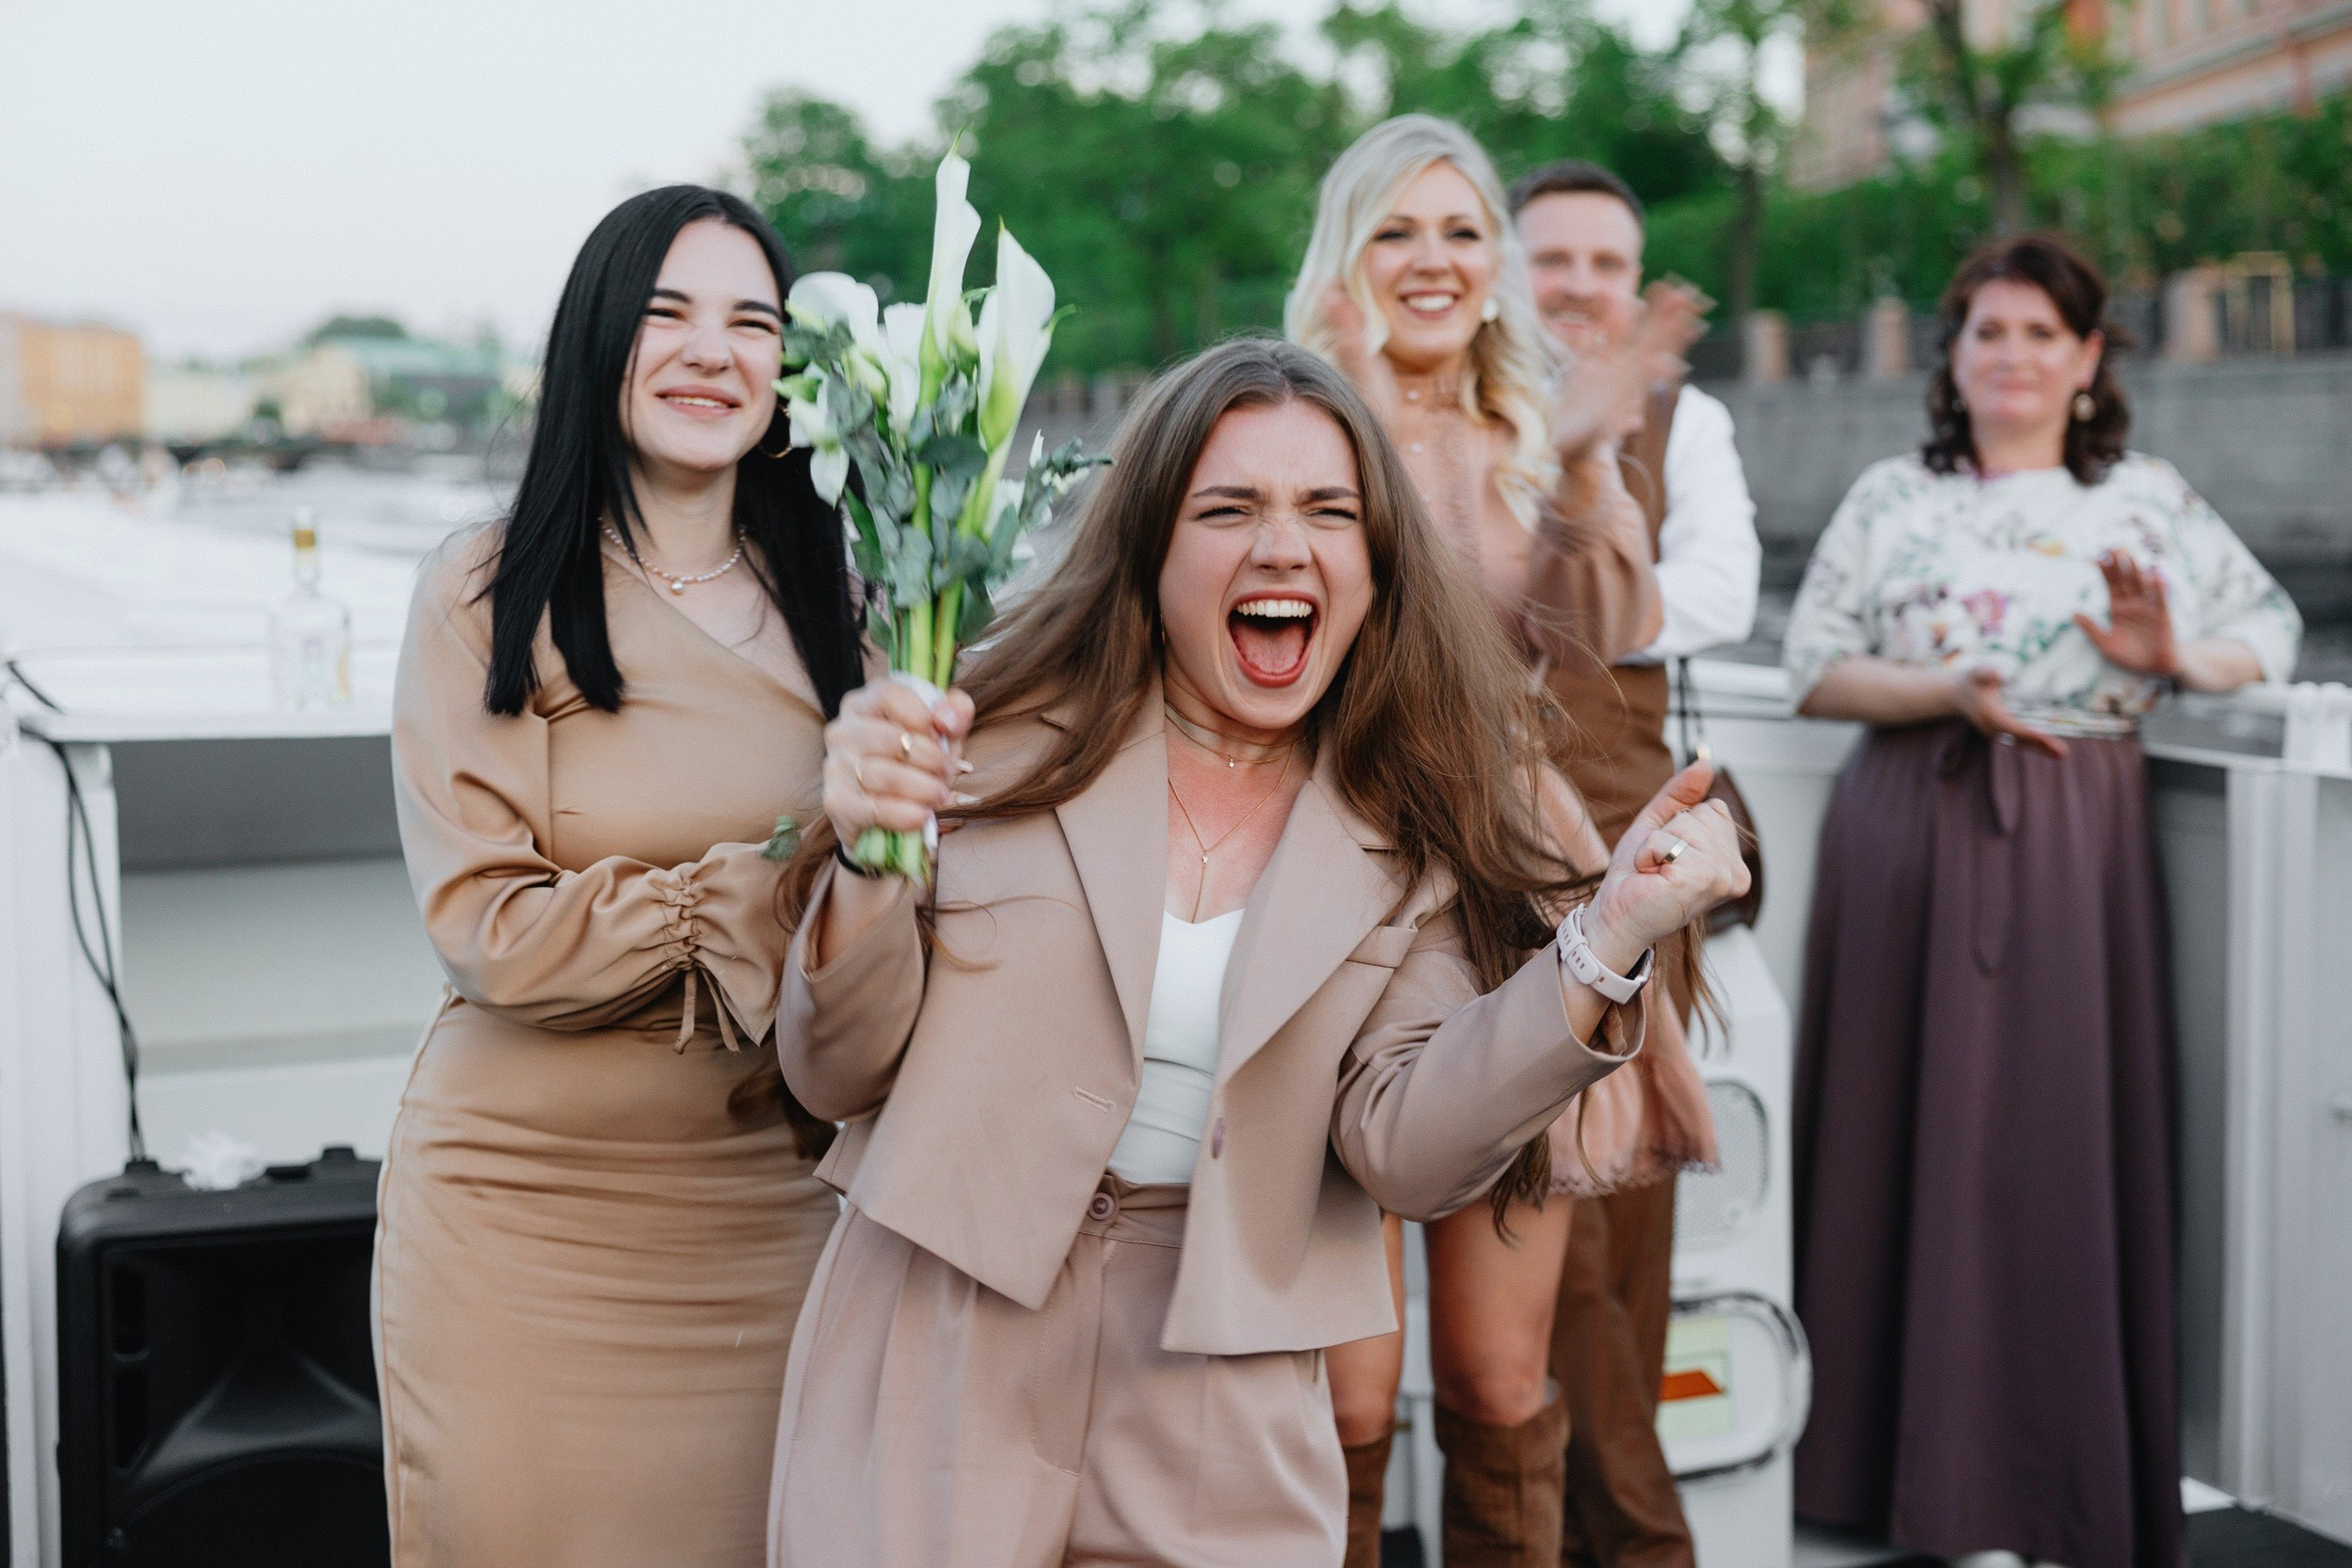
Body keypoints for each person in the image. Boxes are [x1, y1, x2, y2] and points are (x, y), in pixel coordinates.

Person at [765, 338, 1749, 1568]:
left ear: (1376, 563)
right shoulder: (980, 740)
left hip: (1225, 1381)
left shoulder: (1416, 821)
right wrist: (869, 859)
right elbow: (833, 1073)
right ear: (1150, 547)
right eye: (1229, 508)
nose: (1284, 547)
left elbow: (1405, 1150)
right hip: (935, 1342)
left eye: (1328, 512)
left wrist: (1604, 943)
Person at [1786, 235, 2300, 1568]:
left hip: (2078, 835)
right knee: (1896, 1134)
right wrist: (1948, 693)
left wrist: (2175, 654)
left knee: (2051, 1145)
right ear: (1954, 357)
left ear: (2086, 360)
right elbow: (1813, 666)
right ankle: (1885, 1478)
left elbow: (2270, 634)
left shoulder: (2146, 499)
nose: (2011, 354)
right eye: (1988, 330)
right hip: (1910, 818)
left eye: (2040, 332)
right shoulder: (1894, 494)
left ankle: (2043, 1488)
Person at [378, 186, 867, 1567]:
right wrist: (762, 889)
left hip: (776, 1206)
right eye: (668, 313)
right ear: (599, 338)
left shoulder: (861, 608)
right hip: (521, 1213)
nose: (713, 351)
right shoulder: (488, 591)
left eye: (754, 323)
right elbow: (492, 932)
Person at [1288, 114, 1716, 1568]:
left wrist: (1587, 465)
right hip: (1332, 885)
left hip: (1510, 898)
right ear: (1345, 255)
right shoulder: (1293, 424)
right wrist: (1353, 397)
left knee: (1494, 1380)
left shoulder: (1533, 433)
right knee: (1344, 1397)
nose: (1433, 260)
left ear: (1496, 266)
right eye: (1397, 230)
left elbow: (1596, 631)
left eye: (1462, 231)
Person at [1509, 156, 1761, 1568]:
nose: (1583, 286)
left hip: (1636, 836)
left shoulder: (1689, 419)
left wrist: (1557, 589)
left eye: (1608, 262)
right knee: (1550, 1230)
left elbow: (1725, 590)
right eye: (1554, 258)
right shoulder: (1455, 406)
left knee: (1628, 1222)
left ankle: (1611, 1542)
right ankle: (1640, 1547)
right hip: (1479, 845)